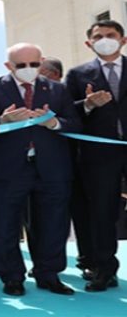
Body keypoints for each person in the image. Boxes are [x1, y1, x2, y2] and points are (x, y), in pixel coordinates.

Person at [0, 43, 81, 296]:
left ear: (41, 62)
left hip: (51, 168)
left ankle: (49, 275)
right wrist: (3, 121)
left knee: (53, 224)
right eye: (21, 65)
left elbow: (74, 123)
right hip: (7, 169)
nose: (28, 69)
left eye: (34, 64)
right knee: (5, 225)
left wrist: (54, 122)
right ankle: (12, 277)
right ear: (8, 66)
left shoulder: (57, 89)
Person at [65, 19, 127, 292]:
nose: (105, 39)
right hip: (99, 155)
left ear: (123, 40)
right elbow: (67, 113)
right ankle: (104, 269)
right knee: (103, 213)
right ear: (89, 43)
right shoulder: (78, 75)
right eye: (98, 36)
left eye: (110, 35)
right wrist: (87, 104)